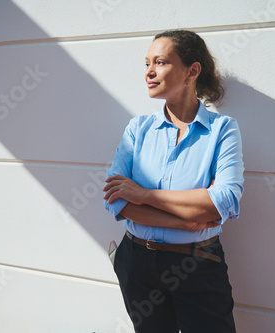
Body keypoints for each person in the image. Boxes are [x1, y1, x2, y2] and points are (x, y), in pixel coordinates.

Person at [103, 29, 244, 333]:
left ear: (192, 71)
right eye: (146, 63)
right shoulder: (137, 129)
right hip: (136, 262)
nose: (149, 72)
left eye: (161, 62)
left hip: (197, 264)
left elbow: (223, 202)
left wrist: (143, 194)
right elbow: (116, 199)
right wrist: (182, 221)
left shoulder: (222, 130)